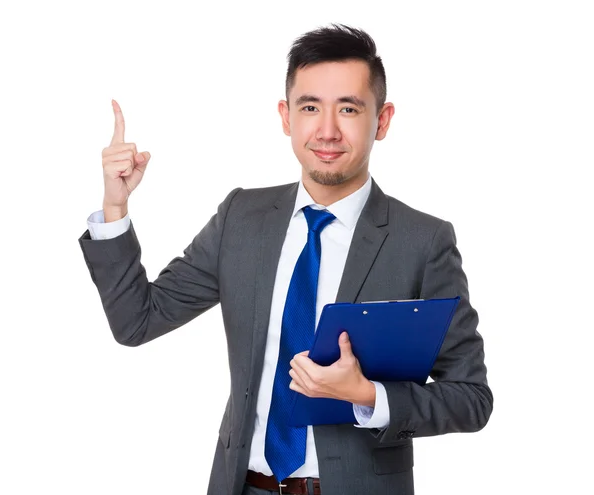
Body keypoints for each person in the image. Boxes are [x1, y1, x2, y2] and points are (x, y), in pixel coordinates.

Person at [78, 23, 492, 495]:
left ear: (382, 120)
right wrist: (115, 209)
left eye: (349, 109)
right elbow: (137, 322)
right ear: (286, 116)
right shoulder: (242, 218)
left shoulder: (423, 240)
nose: (328, 130)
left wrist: (367, 395)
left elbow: (471, 398)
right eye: (310, 107)